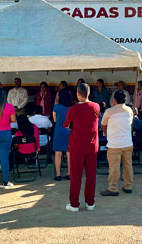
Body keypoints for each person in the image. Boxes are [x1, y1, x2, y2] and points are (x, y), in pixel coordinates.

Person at [64, 83, 100, 212]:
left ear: (77, 94)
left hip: (76, 146)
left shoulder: (72, 109)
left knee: (75, 176)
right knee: (91, 176)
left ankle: (74, 204)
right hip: (92, 146)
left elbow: (66, 125)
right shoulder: (96, 106)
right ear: (89, 93)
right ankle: (90, 203)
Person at [100, 90, 135, 196]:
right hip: (128, 143)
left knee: (114, 167)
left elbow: (103, 126)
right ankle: (128, 186)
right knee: (128, 165)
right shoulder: (130, 110)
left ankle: (113, 188)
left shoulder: (109, 112)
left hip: (114, 144)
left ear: (114, 100)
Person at [52, 81, 72, 181]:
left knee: (58, 153)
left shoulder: (56, 107)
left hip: (58, 130)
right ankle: (69, 173)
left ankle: (58, 174)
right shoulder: (72, 108)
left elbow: (54, 120)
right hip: (69, 131)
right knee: (69, 153)